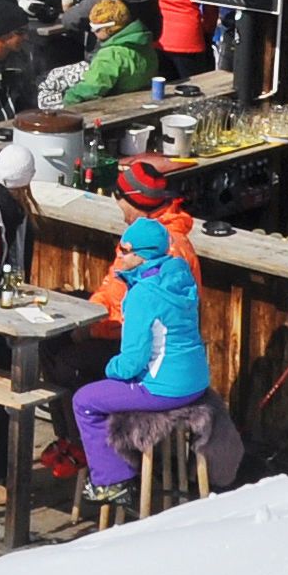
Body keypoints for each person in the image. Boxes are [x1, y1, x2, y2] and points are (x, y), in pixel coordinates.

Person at [72, 215, 212, 508]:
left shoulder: (142, 295)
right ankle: (117, 473)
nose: (119, 255)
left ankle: (112, 481)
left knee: (84, 399)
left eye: (124, 250)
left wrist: (110, 368)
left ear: (142, 255)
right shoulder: (178, 277)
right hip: (196, 382)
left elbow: (133, 361)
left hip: (163, 388)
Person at [48, 0, 159, 108]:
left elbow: (92, 88)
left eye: (95, 28)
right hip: (138, 97)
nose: (92, 32)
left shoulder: (110, 55)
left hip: (116, 106)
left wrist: (69, 99)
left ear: (110, 29)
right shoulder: (143, 43)